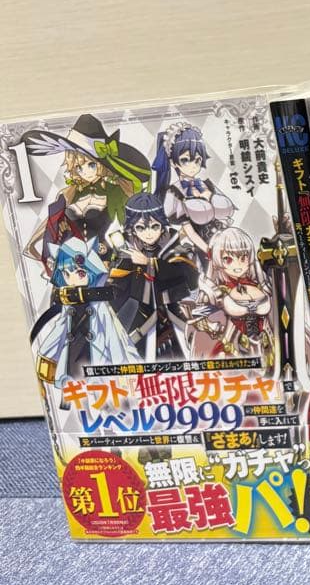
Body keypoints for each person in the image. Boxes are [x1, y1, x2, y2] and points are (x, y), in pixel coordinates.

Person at [21, 114, 150, 271]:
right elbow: (51, 222)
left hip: (101, 259)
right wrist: (33, 246)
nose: (85, 172)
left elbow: (131, 225)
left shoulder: (115, 191)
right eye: (78, 167)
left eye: (91, 165)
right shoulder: (69, 193)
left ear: (102, 164)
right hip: (70, 263)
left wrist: (117, 246)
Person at [31, 237, 139, 387]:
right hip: (72, 361)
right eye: (66, 274)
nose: (72, 279)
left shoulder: (99, 306)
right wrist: (44, 363)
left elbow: (111, 336)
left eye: (80, 273)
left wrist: (122, 370)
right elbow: (59, 332)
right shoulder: (69, 304)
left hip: (96, 360)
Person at [109, 192, 199, 361]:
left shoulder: (173, 246)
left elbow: (188, 275)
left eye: (154, 226)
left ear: (162, 225)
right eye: (140, 228)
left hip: (171, 318)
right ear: (132, 228)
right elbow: (116, 283)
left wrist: (149, 263)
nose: (148, 233)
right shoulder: (128, 248)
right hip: (138, 317)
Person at [186, 226, 273, 362]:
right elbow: (201, 315)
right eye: (228, 259)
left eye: (243, 258)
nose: (237, 265)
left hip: (263, 337)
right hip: (230, 340)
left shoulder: (256, 282)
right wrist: (212, 324)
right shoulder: (217, 289)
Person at [153, 121, 235, 258]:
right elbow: (189, 231)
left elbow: (225, 216)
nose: (193, 166)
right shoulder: (174, 192)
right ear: (173, 162)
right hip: (203, 250)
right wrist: (209, 251)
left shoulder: (207, 185)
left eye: (197, 160)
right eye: (185, 160)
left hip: (225, 243)